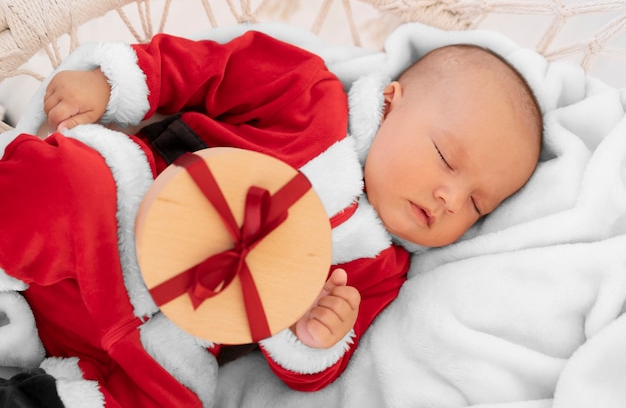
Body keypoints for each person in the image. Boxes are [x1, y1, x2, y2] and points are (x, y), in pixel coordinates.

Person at [1, 30, 542, 406]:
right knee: (76, 180)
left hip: (163, 333)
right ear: (390, 101)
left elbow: (315, 370)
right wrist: (116, 84)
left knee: (175, 395)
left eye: (477, 206)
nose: (451, 198)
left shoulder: (376, 269)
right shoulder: (311, 96)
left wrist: (313, 336)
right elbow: (213, 67)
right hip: (127, 215)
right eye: (446, 159)